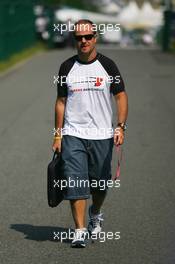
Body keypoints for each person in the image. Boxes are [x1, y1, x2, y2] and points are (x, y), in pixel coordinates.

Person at [52, 19, 128, 248]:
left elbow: (121, 96)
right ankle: (80, 230)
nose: (83, 41)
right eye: (78, 37)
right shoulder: (66, 67)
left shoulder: (108, 66)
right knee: (74, 181)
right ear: (74, 40)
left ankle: (95, 212)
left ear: (95, 38)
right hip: (73, 133)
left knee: (100, 184)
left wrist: (120, 126)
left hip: (102, 135)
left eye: (87, 37)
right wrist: (58, 135)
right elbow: (61, 102)